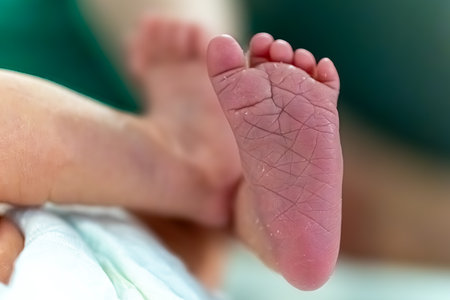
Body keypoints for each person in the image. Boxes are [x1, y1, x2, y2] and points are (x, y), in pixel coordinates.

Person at [0, 0, 343, 293]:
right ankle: (195, 161)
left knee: (173, 234)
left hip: (132, 224)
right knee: (173, 237)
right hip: (149, 247)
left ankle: (203, 137)